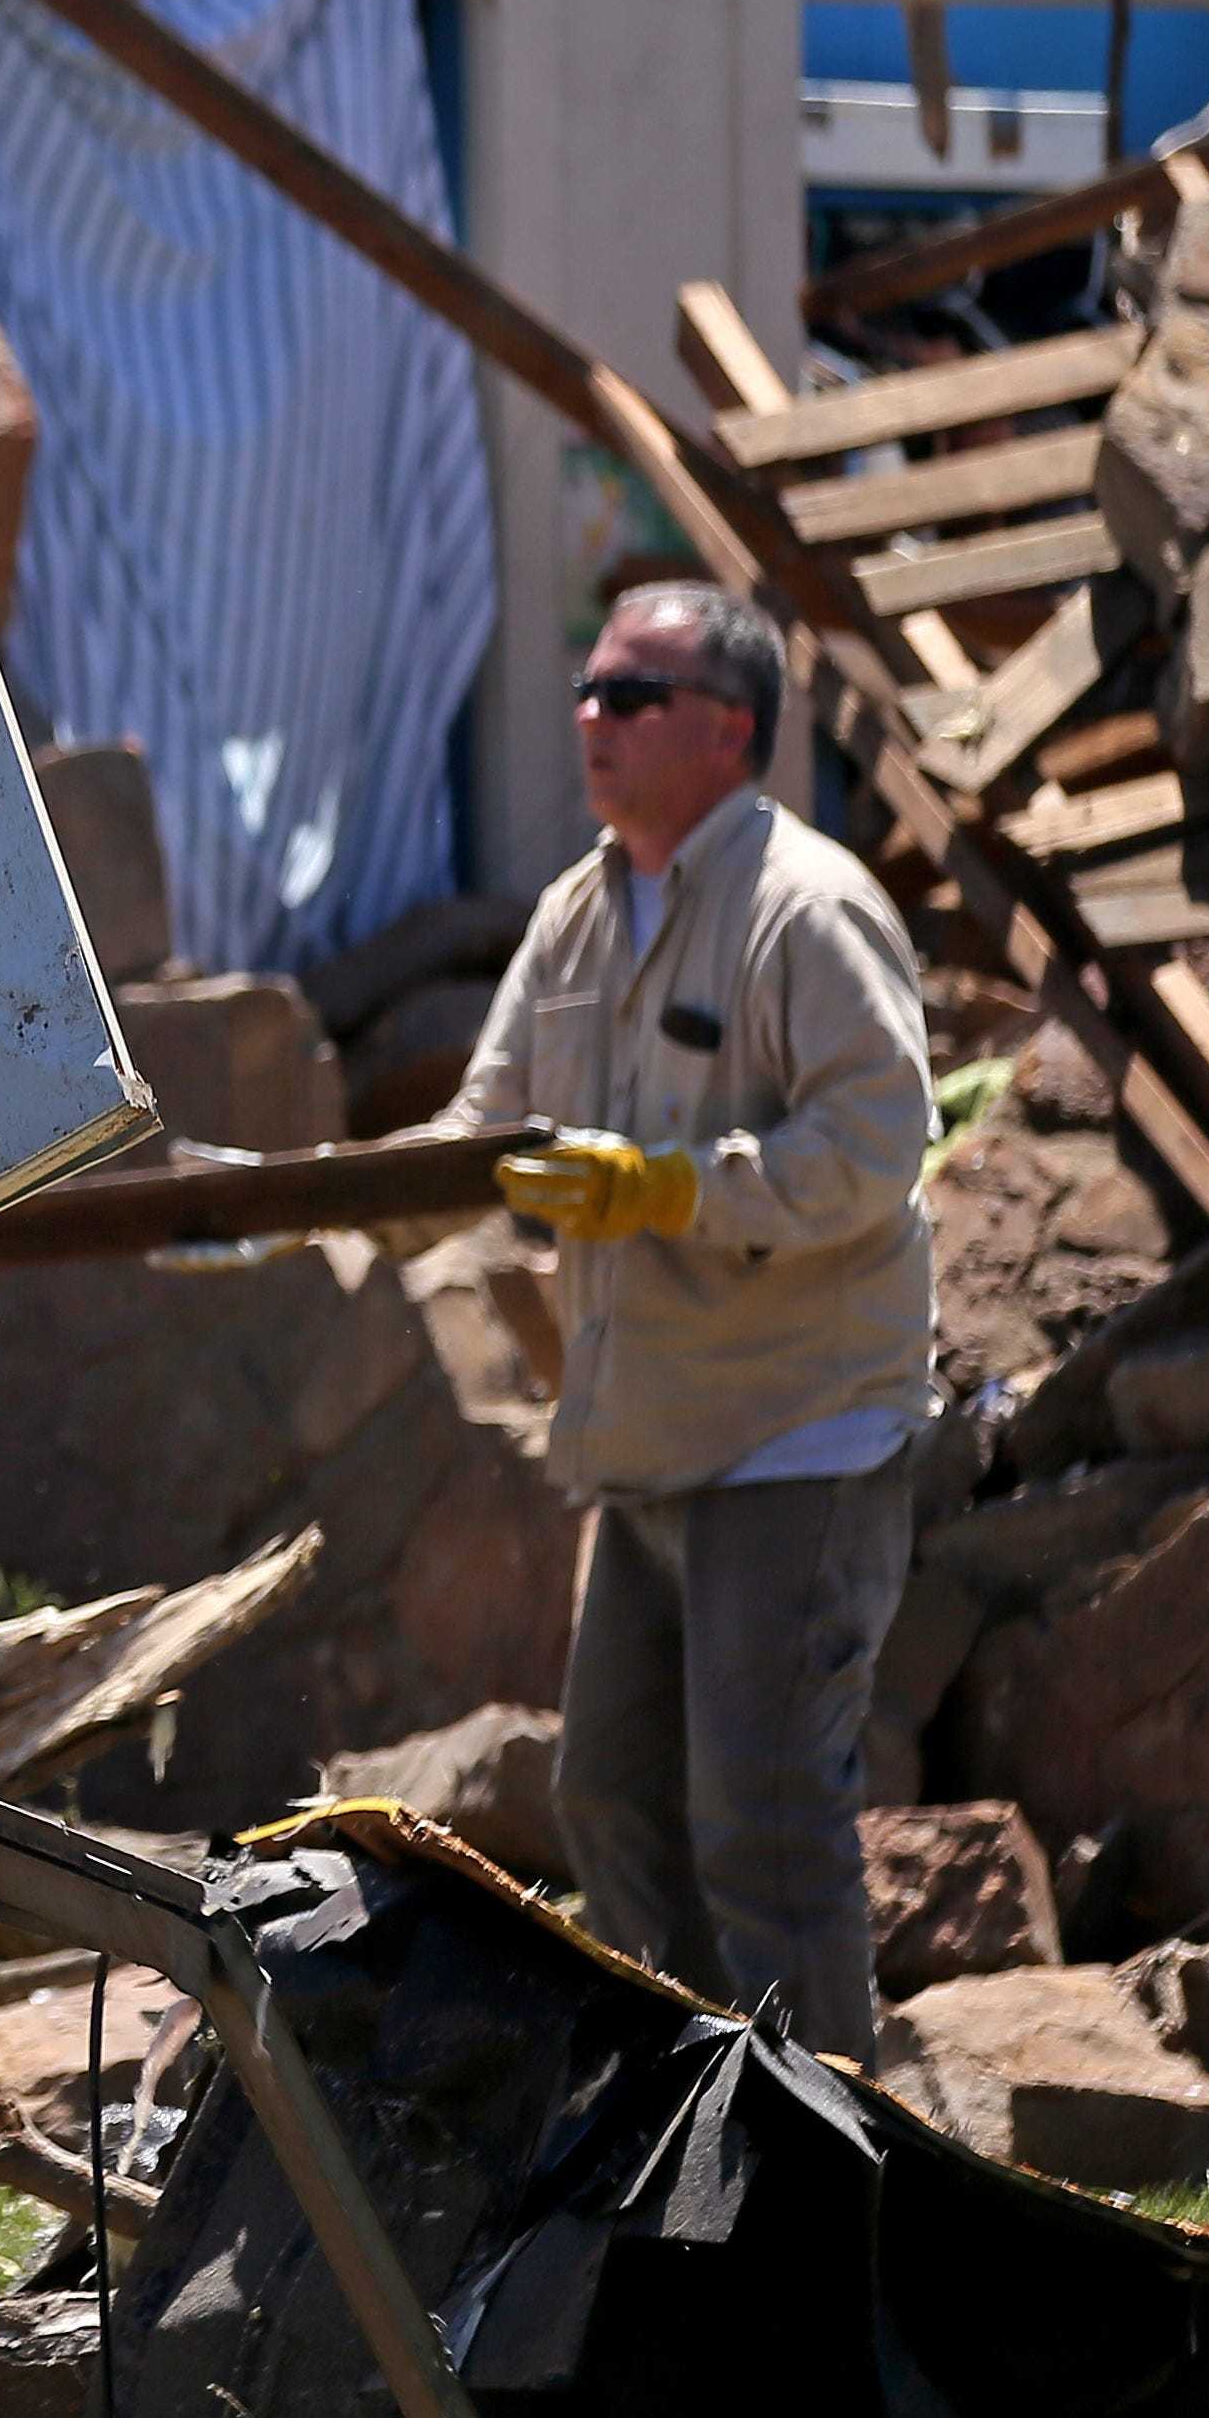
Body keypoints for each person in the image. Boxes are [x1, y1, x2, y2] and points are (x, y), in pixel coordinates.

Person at [439, 581, 937, 2059]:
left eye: (631, 695)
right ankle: (688, 2132)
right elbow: (480, 1134)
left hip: (795, 1428)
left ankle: (829, 2182)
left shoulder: (808, 905)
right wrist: (265, 1212)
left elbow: (877, 1147)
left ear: (729, 731)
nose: (591, 716)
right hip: (652, 1432)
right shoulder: (578, 914)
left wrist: (670, 1189)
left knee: (766, 1829)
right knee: (614, 1800)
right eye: (587, 689)